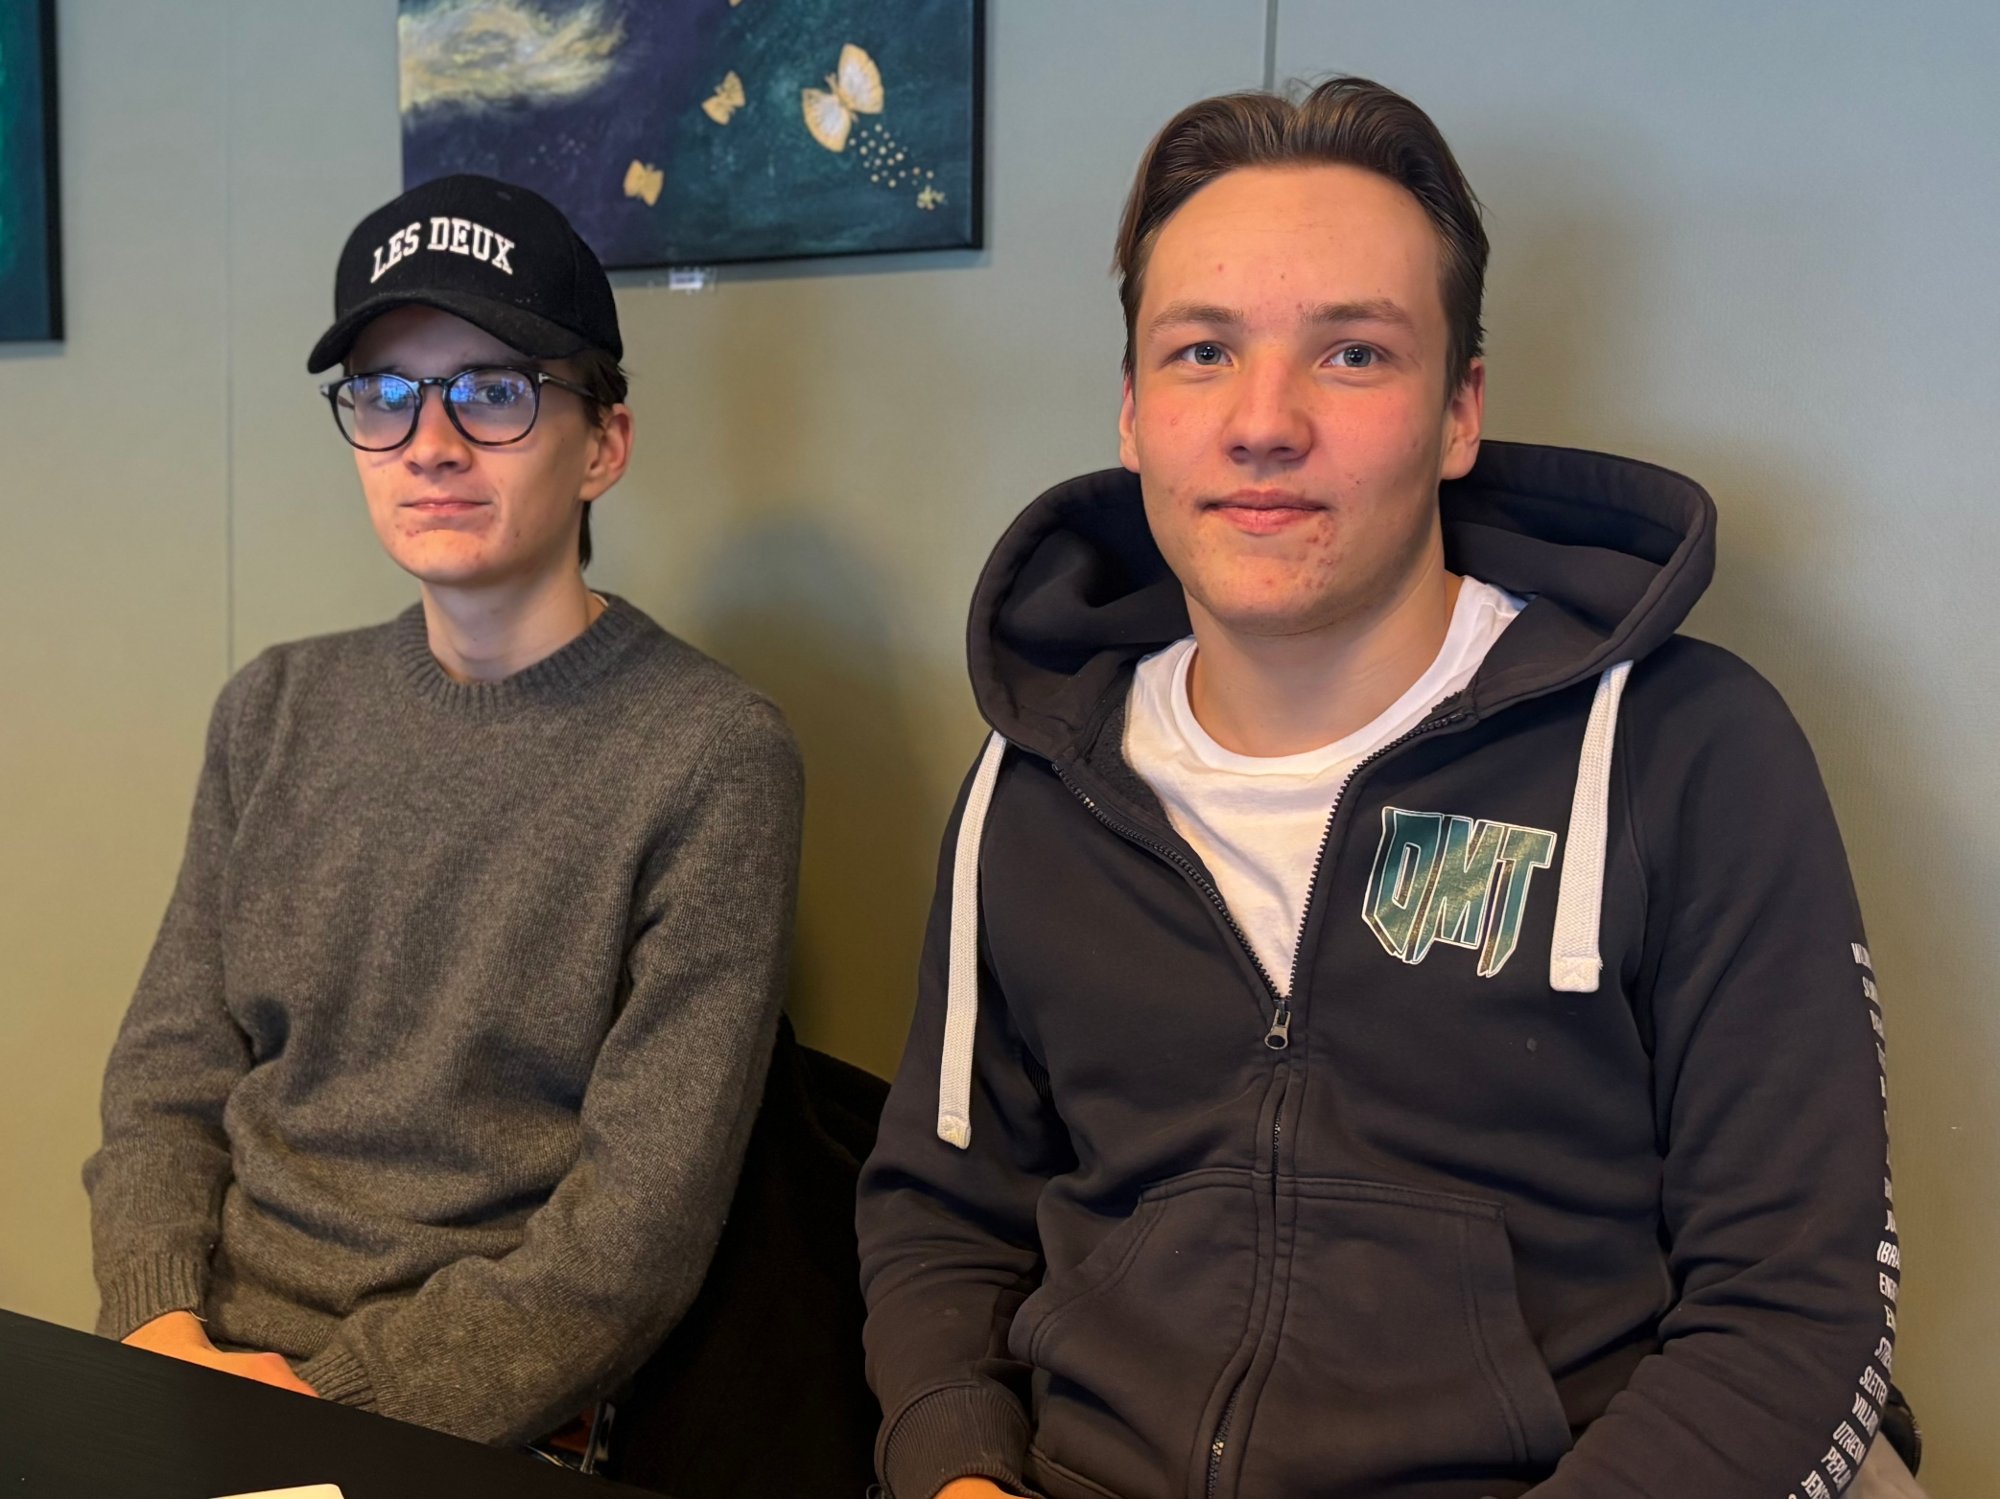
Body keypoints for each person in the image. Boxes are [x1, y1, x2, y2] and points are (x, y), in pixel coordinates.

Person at [856, 79, 1921, 1499]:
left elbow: (1797, 1308)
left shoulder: (1685, 748)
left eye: (1351, 353)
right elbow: (942, 1215)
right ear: (1131, 411)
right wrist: (957, 1474)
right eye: (1200, 352)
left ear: (1458, 410)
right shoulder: (1033, 776)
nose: (1263, 421)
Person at [83, 173, 804, 1451]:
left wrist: (335, 1410)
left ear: (604, 442)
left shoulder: (710, 754)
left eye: (492, 390)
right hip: (200, 1359)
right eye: (385, 392)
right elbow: (165, 1078)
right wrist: (158, 1334)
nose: (429, 442)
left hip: (467, 1414)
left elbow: (629, 1238)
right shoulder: (276, 707)